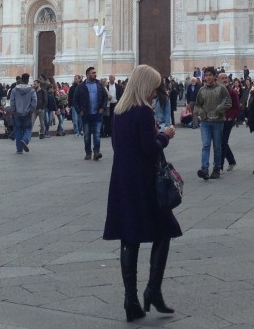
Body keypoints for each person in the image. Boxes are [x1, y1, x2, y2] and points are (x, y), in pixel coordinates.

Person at [103, 65, 181, 321]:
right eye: (155, 87)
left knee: (130, 236)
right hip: (145, 182)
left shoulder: (120, 111)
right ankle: (152, 290)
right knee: (166, 230)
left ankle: (131, 300)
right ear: (146, 85)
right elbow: (149, 148)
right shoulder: (143, 112)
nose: (156, 92)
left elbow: (120, 146)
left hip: (123, 180)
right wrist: (165, 135)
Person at [194, 67, 229, 180]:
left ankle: (217, 168)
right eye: (206, 75)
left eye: (210, 75)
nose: (208, 77)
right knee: (206, 145)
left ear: (214, 76)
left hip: (218, 122)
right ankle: (204, 168)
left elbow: (228, 102)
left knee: (217, 146)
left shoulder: (221, 89)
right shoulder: (202, 90)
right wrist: (201, 112)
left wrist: (220, 109)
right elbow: (197, 105)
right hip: (205, 122)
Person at [73, 67, 109, 160]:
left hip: (97, 114)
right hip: (86, 114)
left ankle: (96, 152)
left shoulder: (99, 85)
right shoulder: (81, 87)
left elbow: (105, 97)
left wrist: (103, 108)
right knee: (87, 135)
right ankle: (88, 152)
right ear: (88, 74)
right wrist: (79, 110)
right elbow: (75, 100)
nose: (95, 74)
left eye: (95, 73)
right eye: (93, 73)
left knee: (97, 134)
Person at [9, 73, 37, 153]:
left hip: (17, 112)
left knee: (18, 130)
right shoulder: (32, 90)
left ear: (21, 79)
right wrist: (31, 110)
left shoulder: (14, 90)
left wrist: (13, 110)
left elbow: (12, 101)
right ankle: (25, 140)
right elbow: (34, 101)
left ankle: (19, 149)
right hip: (27, 112)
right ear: (28, 80)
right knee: (28, 128)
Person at [218, 72, 239, 170]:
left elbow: (237, 107)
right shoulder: (216, 92)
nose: (225, 79)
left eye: (226, 78)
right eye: (222, 78)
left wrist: (232, 117)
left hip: (228, 120)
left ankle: (220, 166)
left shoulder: (232, 92)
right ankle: (231, 161)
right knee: (222, 142)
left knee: (222, 142)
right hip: (218, 120)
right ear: (218, 80)